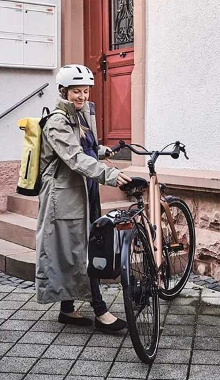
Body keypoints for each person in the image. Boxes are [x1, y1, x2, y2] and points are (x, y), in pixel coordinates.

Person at [35, 64, 131, 332]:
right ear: (63, 91)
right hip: (63, 196)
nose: (82, 96)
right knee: (78, 251)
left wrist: (101, 150)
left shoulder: (81, 115)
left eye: (86, 91)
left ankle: (67, 310)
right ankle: (100, 310)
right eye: (76, 91)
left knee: (79, 247)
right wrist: (109, 175)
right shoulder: (56, 121)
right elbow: (74, 157)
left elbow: (84, 147)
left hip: (83, 189)